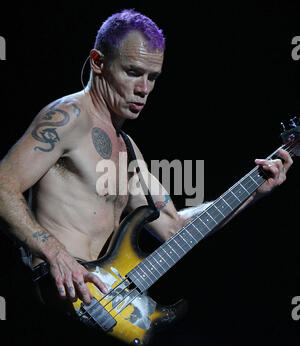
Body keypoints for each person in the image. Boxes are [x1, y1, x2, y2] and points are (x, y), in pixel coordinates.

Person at [0, 9, 293, 311]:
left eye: (153, 77)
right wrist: (55, 253)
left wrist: (253, 190)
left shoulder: (127, 149)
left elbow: (175, 229)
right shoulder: (68, 117)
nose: (144, 89)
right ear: (98, 62)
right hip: (51, 300)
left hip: (96, 307)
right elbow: (2, 186)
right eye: (133, 72)